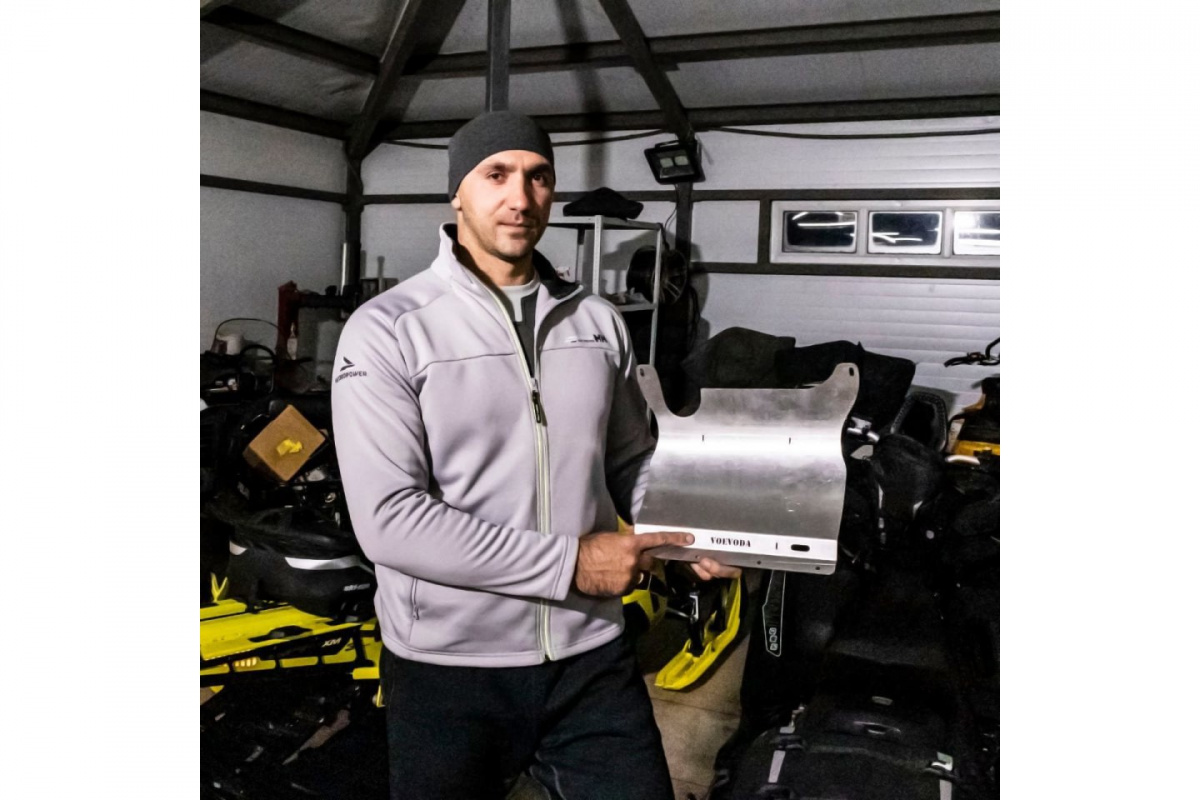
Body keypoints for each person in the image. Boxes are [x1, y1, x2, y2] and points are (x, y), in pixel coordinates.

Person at [332, 110, 739, 800]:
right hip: (448, 666)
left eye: (538, 177)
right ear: (457, 192)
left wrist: (686, 527)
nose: (520, 198)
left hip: (590, 655)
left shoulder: (598, 321)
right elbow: (389, 520)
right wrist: (571, 563)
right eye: (496, 175)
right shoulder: (390, 330)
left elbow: (631, 460)